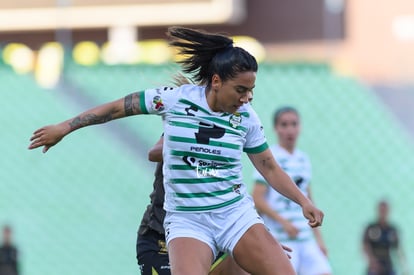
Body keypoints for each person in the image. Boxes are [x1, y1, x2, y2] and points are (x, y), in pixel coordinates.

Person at [29, 26, 324, 275]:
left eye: (251, 90)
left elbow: (269, 167)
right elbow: (117, 108)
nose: (247, 98)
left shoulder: (246, 118)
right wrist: (64, 128)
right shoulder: (173, 100)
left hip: (235, 214)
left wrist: (303, 201)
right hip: (187, 219)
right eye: (241, 90)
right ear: (217, 81)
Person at [137, 135, 250, 275]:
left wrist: (251, 235)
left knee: (247, 265)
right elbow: (154, 153)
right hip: (160, 237)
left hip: (209, 235)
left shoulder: (228, 140)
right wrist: (194, 146)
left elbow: (232, 195)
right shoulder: (185, 126)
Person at [252, 106, 331, 275]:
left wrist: (319, 240)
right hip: (282, 240)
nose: (290, 130)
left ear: (300, 127)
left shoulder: (303, 159)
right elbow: (257, 199)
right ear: (276, 128)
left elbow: (308, 199)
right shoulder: (270, 157)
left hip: (305, 238)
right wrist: (283, 222)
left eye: (294, 124)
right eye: (284, 124)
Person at [362, 200, 409, 275]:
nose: (383, 212)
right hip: (374, 266)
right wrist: (372, 261)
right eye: (381, 210)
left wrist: (405, 268)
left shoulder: (392, 230)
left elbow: (398, 250)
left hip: (388, 265)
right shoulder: (371, 228)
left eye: (385, 210)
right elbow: (365, 246)